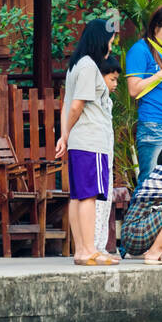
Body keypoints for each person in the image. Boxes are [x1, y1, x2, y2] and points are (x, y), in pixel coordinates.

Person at [56, 18, 122, 266]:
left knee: (78, 196)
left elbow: (67, 105)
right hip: (90, 140)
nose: (111, 47)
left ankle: (82, 250)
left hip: (80, 141)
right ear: (100, 40)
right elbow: (76, 106)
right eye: (110, 41)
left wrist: (65, 135)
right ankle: (87, 249)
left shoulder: (77, 66)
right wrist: (65, 134)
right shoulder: (88, 67)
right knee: (88, 196)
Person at [125, 5, 162, 188]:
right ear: (155, 27)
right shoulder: (140, 50)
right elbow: (134, 90)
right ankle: (140, 217)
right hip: (154, 125)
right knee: (151, 182)